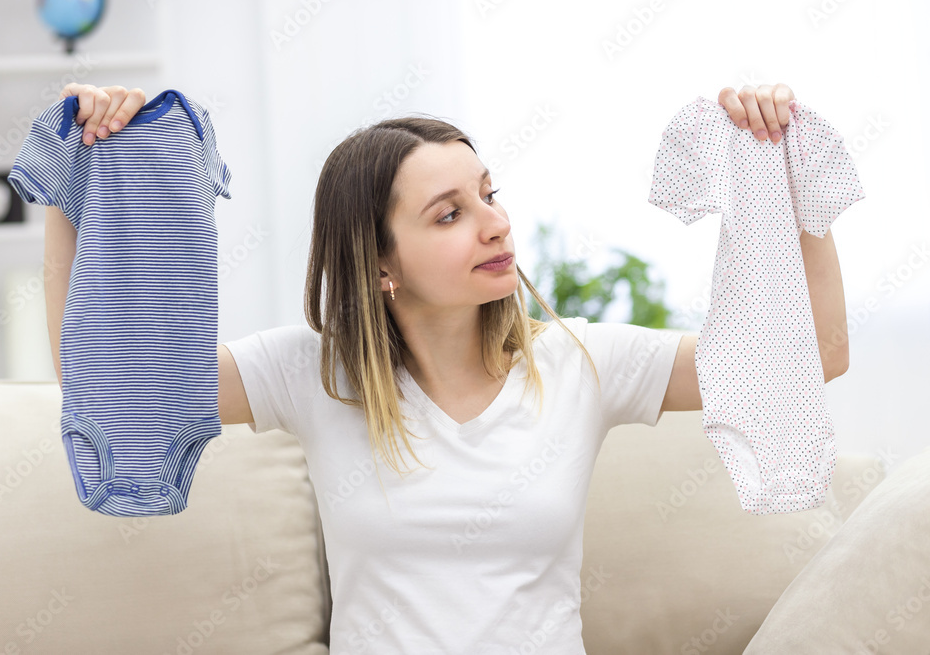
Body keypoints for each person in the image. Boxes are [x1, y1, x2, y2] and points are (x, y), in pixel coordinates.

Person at [43, 82, 849, 652]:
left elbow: (811, 358)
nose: (496, 225)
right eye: (451, 214)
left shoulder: (578, 360)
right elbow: (110, 385)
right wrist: (75, 182)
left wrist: (787, 180)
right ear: (380, 264)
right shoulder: (315, 373)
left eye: (489, 194)